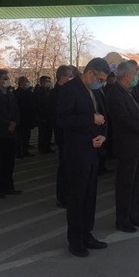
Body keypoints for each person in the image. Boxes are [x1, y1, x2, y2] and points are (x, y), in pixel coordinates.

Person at [57, 58, 110, 257]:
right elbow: (63, 119)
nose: (101, 83)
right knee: (77, 197)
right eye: (100, 79)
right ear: (90, 73)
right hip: (77, 152)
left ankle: (87, 234)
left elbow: (104, 116)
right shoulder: (70, 89)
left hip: (93, 150)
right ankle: (75, 240)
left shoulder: (95, 90)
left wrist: (103, 135)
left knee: (90, 196)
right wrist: (90, 118)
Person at [106, 61, 139, 233]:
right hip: (126, 146)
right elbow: (124, 120)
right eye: (135, 73)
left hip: (136, 144)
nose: (136, 77)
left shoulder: (127, 91)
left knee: (135, 184)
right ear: (127, 75)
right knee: (125, 185)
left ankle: (134, 216)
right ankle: (123, 219)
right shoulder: (115, 94)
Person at [0, 69, 21, 199]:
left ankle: (8, 186)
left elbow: (16, 110)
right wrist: (8, 124)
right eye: (4, 78)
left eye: (7, 78)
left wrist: (14, 122)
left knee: (9, 161)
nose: (7, 80)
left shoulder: (10, 94)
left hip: (10, 133)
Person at [50, 65, 73, 207]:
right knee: (64, 166)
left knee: (69, 166)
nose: (71, 79)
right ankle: (62, 197)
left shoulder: (66, 91)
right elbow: (57, 117)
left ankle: (67, 194)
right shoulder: (56, 93)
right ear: (63, 77)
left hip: (68, 135)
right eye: (70, 76)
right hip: (63, 134)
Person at [15, 76, 36, 158]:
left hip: (28, 118)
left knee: (27, 136)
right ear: (21, 83)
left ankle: (25, 151)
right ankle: (19, 152)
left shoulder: (28, 92)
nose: (27, 83)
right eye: (26, 81)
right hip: (21, 119)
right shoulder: (17, 93)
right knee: (20, 137)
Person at [34, 75, 54, 155]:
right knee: (42, 133)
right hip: (42, 116)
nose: (49, 83)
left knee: (48, 132)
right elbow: (38, 105)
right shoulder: (38, 92)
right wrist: (40, 116)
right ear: (42, 82)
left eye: (49, 81)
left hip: (49, 115)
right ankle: (42, 148)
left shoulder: (49, 91)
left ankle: (47, 146)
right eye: (47, 81)